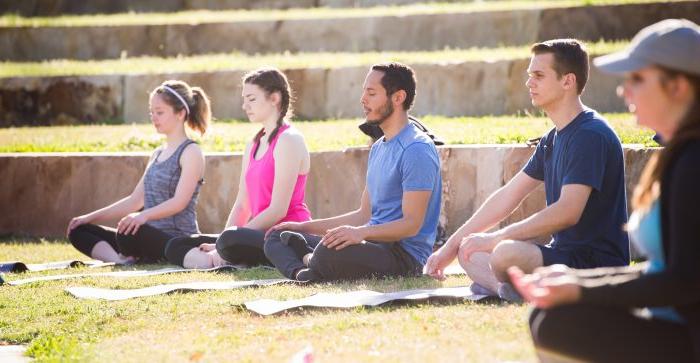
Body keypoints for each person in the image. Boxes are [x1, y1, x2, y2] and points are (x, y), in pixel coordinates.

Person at [510, 19, 700, 362]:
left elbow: (684, 282)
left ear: (679, 87)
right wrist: (577, 282)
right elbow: (665, 270)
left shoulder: (693, 162)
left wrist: (581, 288)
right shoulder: (681, 153)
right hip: (677, 327)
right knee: (547, 316)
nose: (623, 91)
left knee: (558, 325)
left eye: (638, 79)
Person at [425, 39, 630, 301]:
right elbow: (506, 197)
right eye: (529, 75)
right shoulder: (552, 139)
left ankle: (512, 289)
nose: (529, 82)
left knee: (504, 253)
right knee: (469, 248)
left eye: (539, 75)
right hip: (562, 256)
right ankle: (507, 291)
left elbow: (568, 212)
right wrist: (451, 247)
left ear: (568, 81)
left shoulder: (590, 134)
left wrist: (495, 238)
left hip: (597, 264)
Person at [264, 62, 442, 282]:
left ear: (398, 98)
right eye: (363, 92)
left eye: (371, 93)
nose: (363, 99)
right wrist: (303, 227)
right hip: (372, 244)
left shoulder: (417, 150)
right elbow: (363, 215)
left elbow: (411, 224)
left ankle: (311, 261)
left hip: (402, 257)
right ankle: (303, 272)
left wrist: (360, 233)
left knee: (329, 251)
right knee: (276, 237)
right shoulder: (379, 147)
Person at [164, 68, 311, 268]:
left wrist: (227, 241)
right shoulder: (254, 143)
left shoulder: (289, 140)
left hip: (284, 236)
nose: (244, 106)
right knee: (177, 244)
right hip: (257, 235)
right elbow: (243, 203)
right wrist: (221, 243)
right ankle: (224, 259)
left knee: (231, 238)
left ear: (274, 98)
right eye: (244, 99)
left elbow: (278, 210)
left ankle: (222, 259)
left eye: (251, 99)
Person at [67, 80, 210, 264]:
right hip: (144, 235)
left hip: (176, 239)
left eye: (160, 112)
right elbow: (135, 201)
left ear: (180, 113)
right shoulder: (157, 153)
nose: (154, 117)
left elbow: (179, 202)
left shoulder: (191, 152)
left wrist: (143, 216)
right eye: (152, 112)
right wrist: (89, 217)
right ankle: (119, 262)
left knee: (130, 233)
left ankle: (133, 254)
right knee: (79, 230)